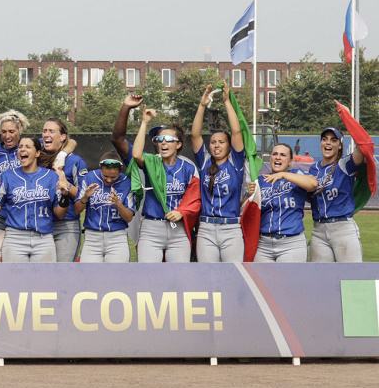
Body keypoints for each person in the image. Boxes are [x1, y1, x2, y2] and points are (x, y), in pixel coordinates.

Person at [132, 109, 201, 263]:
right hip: (151, 229)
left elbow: (195, 198)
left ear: (178, 144)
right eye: (159, 139)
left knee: (178, 277)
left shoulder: (188, 167)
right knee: (149, 276)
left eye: (168, 139)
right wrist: (144, 122)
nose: (163, 142)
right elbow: (136, 154)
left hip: (178, 230)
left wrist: (181, 211)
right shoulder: (152, 162)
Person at [0, 137, 68, 262]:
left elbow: (59, 214)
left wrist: (64, 196)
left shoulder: (51, 177)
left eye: (28, 147)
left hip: (43, 238)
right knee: (14, 280)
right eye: (20, 147)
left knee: (44, 281)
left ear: (37, 153)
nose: (22, 149)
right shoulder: (7, 176)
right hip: (15, 238)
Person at [190, 84, 247, 263]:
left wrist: (227, 102)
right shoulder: (205, 162)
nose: (216, 145)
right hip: (206, 228)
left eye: (221, 142)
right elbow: (195, 135)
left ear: (229, 145)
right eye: (213, 142)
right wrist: (202, 105)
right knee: (208, 276)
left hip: (231, 229)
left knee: (233, 275)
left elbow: (237, 131)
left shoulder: (235, 163)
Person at [308, 124, 368, 262]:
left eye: (334, 140)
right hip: (318, 230)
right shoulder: (313, 169)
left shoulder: (345, 164)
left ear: (340, 145)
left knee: (352, 278)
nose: (328, 142)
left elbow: (364, 145)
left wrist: (348, 120)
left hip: (343, 228)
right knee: (321, 279)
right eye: (324, 139)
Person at [251, 143, 316, 262]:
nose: (278, 157)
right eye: (275, 154)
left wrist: (284, 175)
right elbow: (248, 211)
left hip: (291, 243)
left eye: (283, 155)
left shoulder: (296, 175)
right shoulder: (260, 181)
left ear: (290, 161)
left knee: (288, 281)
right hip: (263, 245)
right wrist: (249, 194)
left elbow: (313, 184)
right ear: (270, 158)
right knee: (261, 281)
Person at [74, 152, 135, 262]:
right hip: (92, 238)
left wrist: (119, 204)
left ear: (120, 170)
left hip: (117, 237)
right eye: (105, 176)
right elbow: (77, 210)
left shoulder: (127, 182)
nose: (109, 180)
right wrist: (85, 197)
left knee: (116, 276)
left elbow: (129, 217)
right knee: (89, 276)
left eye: (113, 177)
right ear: (100, 168)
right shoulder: (89, 178)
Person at [0, 110, 28, 263]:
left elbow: (68, 142)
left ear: (20, 130)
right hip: (0, 214)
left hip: (23, 215)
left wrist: (63, 155)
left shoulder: (30, 148)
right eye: (3, 132)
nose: (7, 135)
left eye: (12, 131)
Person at [41, 118, 85, 262]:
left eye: (51, 131)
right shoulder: (38, 157)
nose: (46, 134)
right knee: (41, 277)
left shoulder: (75, 161)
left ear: (62, 136)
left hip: (67, 225)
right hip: (41, 225)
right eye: (44, 131)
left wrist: (66, 184)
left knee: (63, 275)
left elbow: (84, 196)